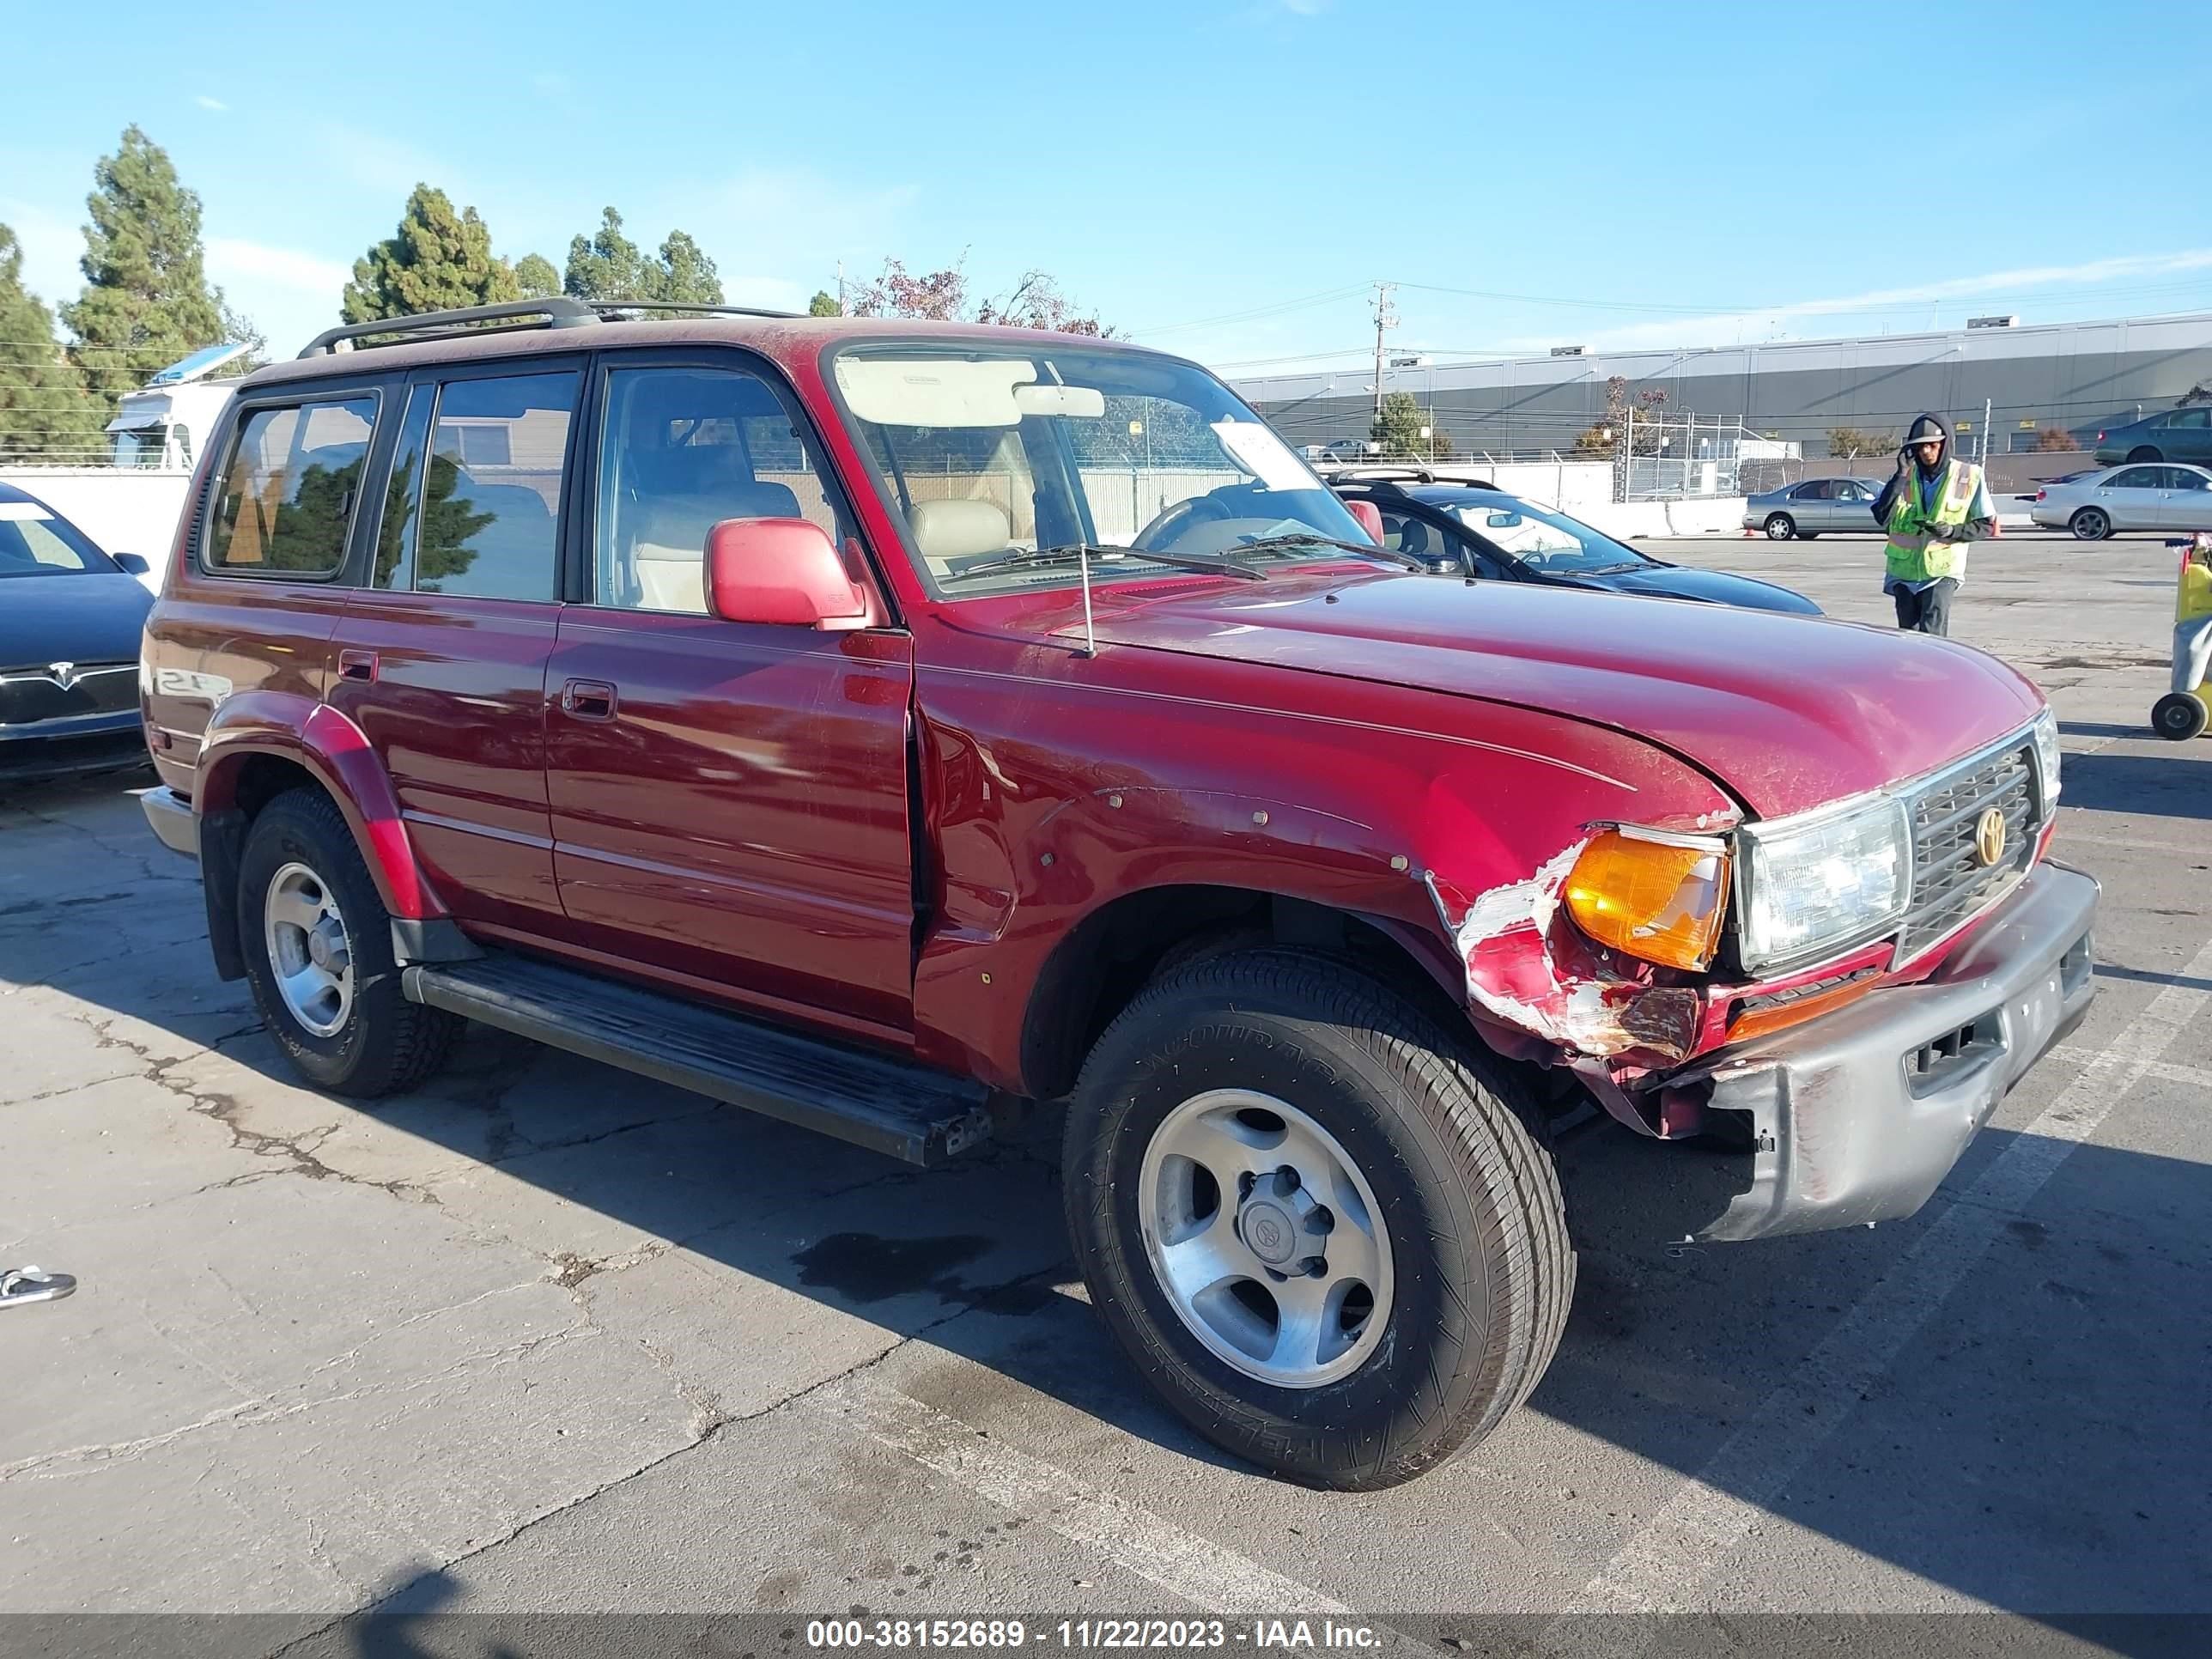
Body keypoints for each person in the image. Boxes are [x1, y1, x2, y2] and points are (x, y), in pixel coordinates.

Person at [1869, 412, 1996, 636]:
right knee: (1908, 637)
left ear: (1945, 443)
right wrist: (1900, 474)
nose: (1926, 452)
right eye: (1920, 447)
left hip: (1941, 573)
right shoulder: (1906, 475)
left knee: (1933, 635)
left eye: (1932, 445)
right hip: (1904, 573)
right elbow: (1882, 516)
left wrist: (1952, 531)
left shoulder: (1968, 476)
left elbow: (1986, 525)